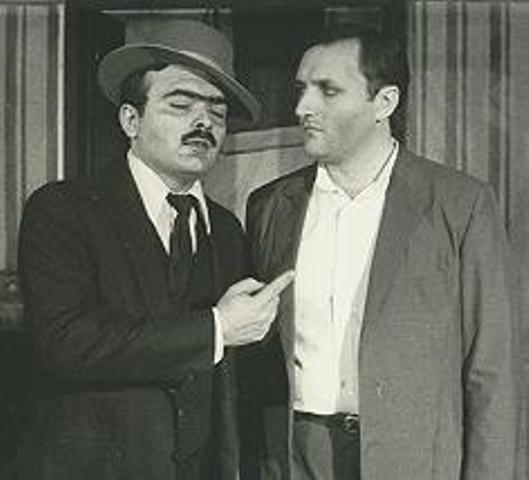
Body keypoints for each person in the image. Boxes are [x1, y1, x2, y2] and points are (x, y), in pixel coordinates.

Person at [12, 20, 293, 480]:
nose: (203, 123)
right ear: (131, 120)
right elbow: (65, 343)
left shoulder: (226, 228)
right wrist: (216, 328)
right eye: (180, 105)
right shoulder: (63, 209)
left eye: (217, 112)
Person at [239, 26, 517, 480]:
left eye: (328, 90)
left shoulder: (460, 204)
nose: (303, 107)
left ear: (384, 102)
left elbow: (493, 371)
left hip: (414, 461)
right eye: (301, 89)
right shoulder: (269, 205)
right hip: (294, 456)